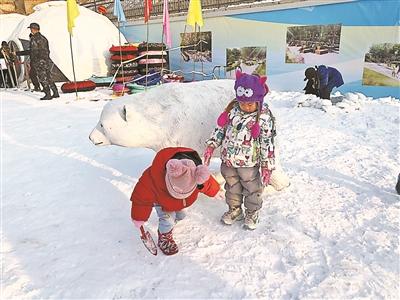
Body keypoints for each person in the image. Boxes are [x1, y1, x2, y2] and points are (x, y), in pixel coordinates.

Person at [203, 70, 276, 230]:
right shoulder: (232, 111)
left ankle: (252, 212)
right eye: (242, 102)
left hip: (249, 163)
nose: (245, 106)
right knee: (232, 187)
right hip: (228, 160)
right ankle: (235, 210)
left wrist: (267, 165)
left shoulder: (263, 117)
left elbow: (267, 142)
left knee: (252, 189)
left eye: (250, 104)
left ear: (259, 100)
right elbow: (220, 129)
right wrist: (211, 144)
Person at [130, 147, 220, 255]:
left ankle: (170, 222)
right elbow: (141, 197)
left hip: (177, 202)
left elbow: (208, 183)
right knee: (168, 220)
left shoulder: (196, 173)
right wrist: (138, 217)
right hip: (161, 198)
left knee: (181, 216)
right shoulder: (153, 177)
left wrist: (215, 191)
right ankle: (164, 236)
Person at [28, 23, 59, 100]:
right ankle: (55, 92)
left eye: (31, 29)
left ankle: (47, 94)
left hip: (38, 61)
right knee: (49, 77)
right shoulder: (43, 38)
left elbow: (33, 51)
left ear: (34, 29)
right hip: (46, 60)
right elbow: (47, 50)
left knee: (42, 78)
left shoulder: (34, 39)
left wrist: (33, 61)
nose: (30, 30)